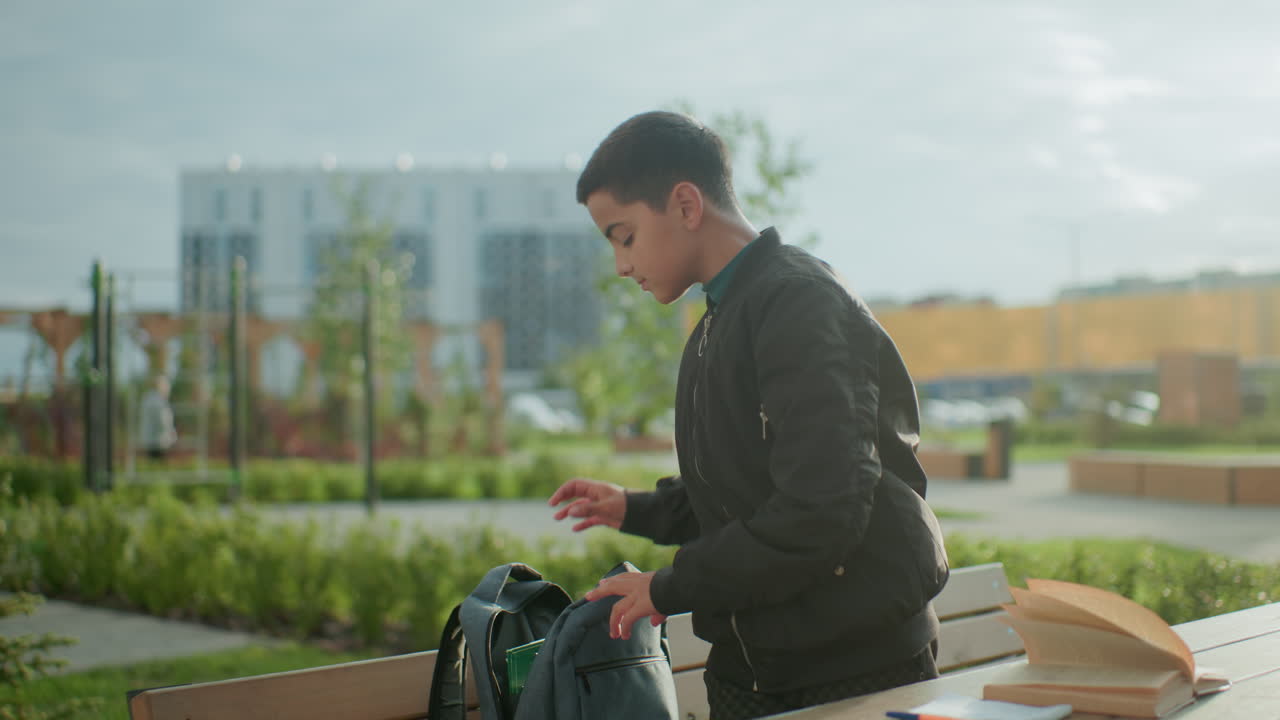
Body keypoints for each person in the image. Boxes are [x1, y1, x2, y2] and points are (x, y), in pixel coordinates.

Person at [548, 111, 949, 720]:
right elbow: (744, 489)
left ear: (685, 205)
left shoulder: (798, 302)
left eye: (624, 236)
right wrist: (634, 507)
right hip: (755, 667)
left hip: (850, 668)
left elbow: (820, 508)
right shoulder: (718, 320)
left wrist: (666, 587)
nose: (621, 266)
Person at [139, 374, 177, 461]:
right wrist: (172, 435)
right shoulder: (158, 401)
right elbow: (163, 422)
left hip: (151, 441)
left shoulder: (148, 398)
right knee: (158, 467)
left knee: (152, 465)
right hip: (159, 442)